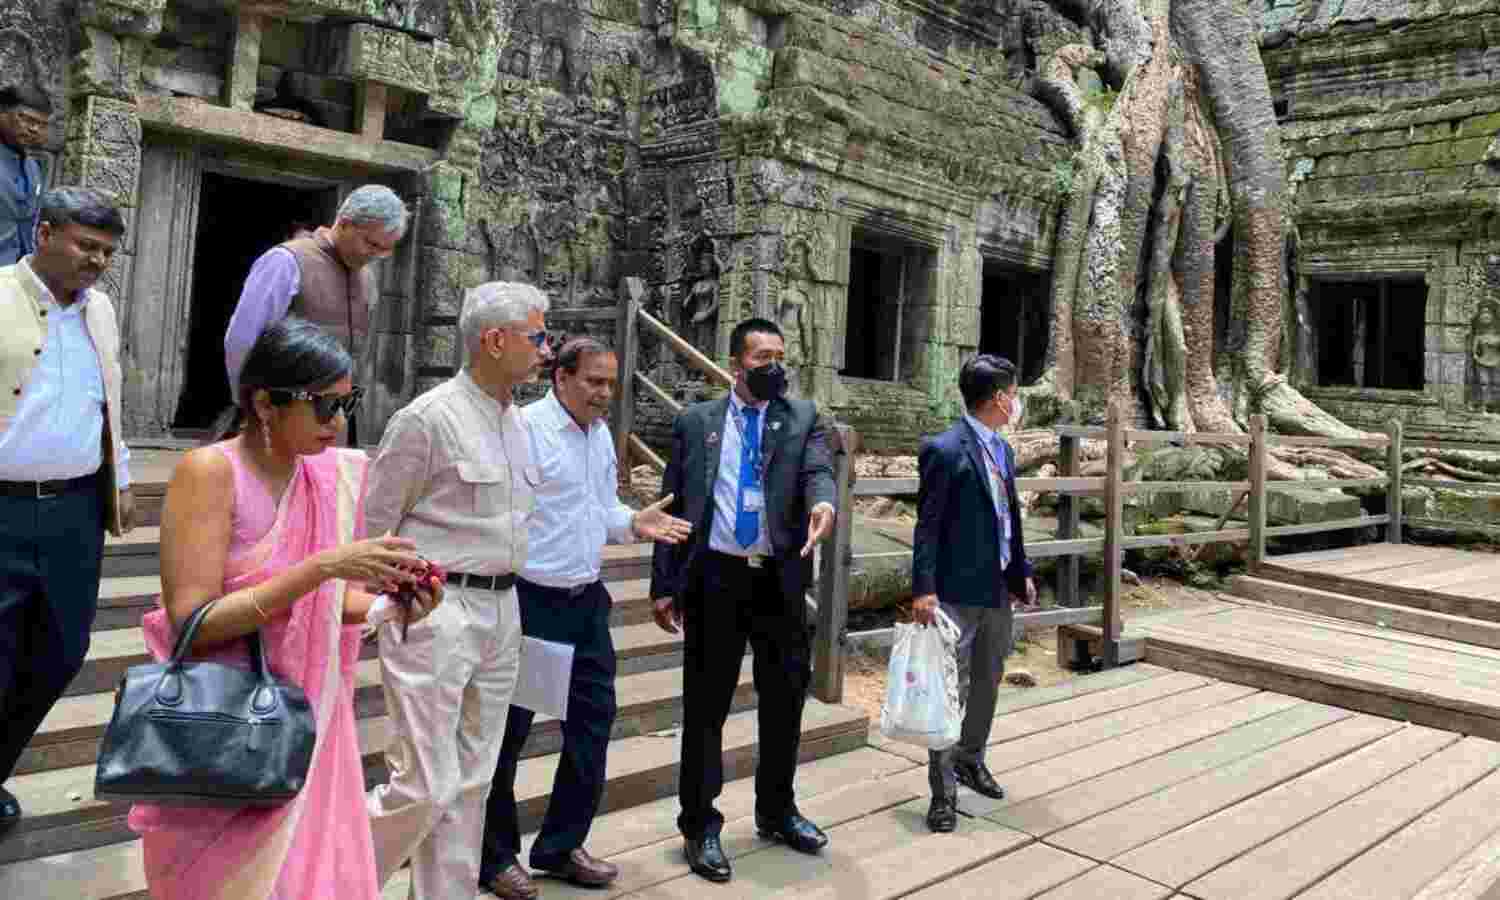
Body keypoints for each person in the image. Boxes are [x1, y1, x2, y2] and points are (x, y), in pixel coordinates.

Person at [128, 317, 435, 899]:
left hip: (309, 722)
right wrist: (319, 568)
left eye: (348, 404)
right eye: (323, 407)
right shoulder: (211, 471)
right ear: (265, 403)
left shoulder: (329, 477)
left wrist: (392, 606)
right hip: (224, 726)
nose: (338, 423)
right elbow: (191, 622)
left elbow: (325, 606)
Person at [478, 337, 692, 899]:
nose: (604, 393)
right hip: (532, 604)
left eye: (610, 382)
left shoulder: (598, 436)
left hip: (586, 603)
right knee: (510, 734)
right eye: (594, 381)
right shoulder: (523, 430)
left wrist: (632, 523)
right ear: (561, 379)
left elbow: (598, 512)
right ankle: (495, 855)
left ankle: (560, 844)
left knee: (593, 726)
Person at [364, 281, 551, 900]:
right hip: (437, 609)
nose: (546, 349)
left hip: (503, 608)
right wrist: (388, 604)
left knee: (473, 779)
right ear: (495, 341)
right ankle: (330, 876)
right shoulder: (427, 419)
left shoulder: (517, 423)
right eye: (537, 336)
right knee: (421, 782)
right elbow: (372, 527)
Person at [650, 317, 836, 883]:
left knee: (785, 700)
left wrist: (823, 504)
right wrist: (664, 584)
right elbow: (674, 505)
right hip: (716, 577)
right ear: (736, 363)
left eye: (780, 355)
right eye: (762, 357)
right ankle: (699, 825)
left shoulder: (801, 416)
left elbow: (818, 470)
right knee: (706, 707)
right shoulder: (696, 423)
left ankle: (777, 809)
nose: (774, 365)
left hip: (778, 579)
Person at [0, 186, 134, 832]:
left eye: (107, 251)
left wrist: (123, 481)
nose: (97, 261)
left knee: (61, 651)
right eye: (86, 245)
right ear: (44, 233)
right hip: (2, 510)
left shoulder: (101, 311)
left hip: (76, 513)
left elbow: (106, 397)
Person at [910, 354, 1035, 833]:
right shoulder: (944, 449)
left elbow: (1010, 518)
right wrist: (924, 589)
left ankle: (971, 758)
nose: (1016, 403)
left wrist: (1020, 569)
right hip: (955, 592)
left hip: (998, 588)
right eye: (1014, 394)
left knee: (988, 680)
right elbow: (927, 527)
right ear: (1000, 398)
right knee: (950, 691)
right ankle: (942, 793)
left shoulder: (1002, 450)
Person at [223, 184, 408, 443]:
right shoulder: (286, 261)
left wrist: (346, 419)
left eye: (385, 249)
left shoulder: (367, 279)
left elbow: (361, 358)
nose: (375, 255)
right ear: (344, 223)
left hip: (333, 426)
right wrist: (249, 408)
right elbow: (242, 340)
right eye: (370, 243)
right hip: (282, 421)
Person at [0, 84, 48, 266]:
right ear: (2, 113)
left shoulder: (33, 169)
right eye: (25, 118)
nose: (34, 129)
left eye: (42, 125)